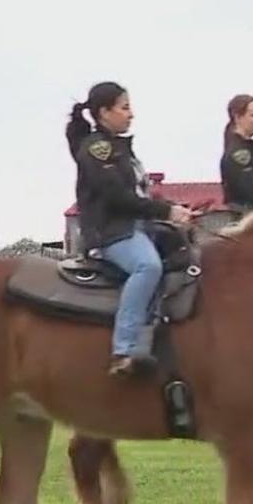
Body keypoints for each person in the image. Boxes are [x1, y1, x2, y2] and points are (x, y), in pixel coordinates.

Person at [65, 81, 194, 378]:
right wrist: (166, 212)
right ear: (104, 112)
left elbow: (140, 195)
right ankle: (124, 348)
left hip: (138, 229)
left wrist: (177, 208)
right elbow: (117, 197)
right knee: (147, 266)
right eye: (124, 108)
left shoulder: (120, 149)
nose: (131, 114)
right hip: (111, 233)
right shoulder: (97, 149)